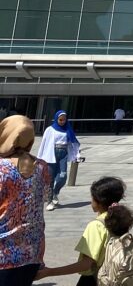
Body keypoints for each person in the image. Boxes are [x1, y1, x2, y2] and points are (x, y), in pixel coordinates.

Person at [37, 176, 128, 285]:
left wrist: (49, 272)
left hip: (95, 279)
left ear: (98, 201)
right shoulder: (120, 218)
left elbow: (86, 264)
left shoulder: (97, 226)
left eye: (92, 197)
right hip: (115, 276)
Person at [0, 116, 50, 285]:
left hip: (3, 254)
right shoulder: (42, 167)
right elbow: (45, 197)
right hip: (31, 254)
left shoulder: (1, 169)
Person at [37, 110, 81, 210]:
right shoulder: (50, 129)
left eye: (64, 120)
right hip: (52, 153)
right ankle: (49, 201)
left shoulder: (67, 129)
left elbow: (73, 143)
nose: (62, 121)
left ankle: (55, 192)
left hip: (63, 153)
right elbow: (43, 143)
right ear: (56, 119)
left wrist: (77, 154)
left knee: (63, 175)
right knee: (51, 178)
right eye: (60, 119)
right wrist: (39, 157)